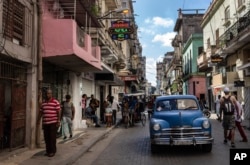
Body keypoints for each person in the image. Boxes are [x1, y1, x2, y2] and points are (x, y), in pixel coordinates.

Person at [37, 89, 61, 157]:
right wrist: (38, 121)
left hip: (53, 123)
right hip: (45, 123)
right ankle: (48, 151)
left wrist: (58, 121)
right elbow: (41, 112)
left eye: (49, 93)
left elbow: (59, 112)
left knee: (52, 137)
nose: (48, 95)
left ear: (51, 94)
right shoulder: (43, 103)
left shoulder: (55, 102)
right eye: (47, 93)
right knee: (46, 138)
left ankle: (53, 151)